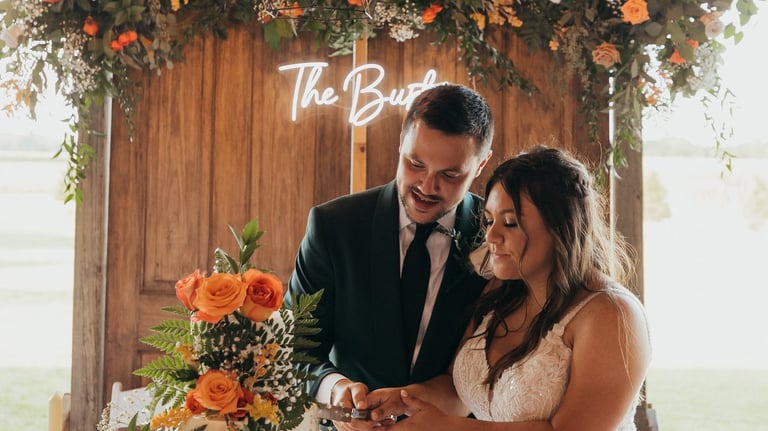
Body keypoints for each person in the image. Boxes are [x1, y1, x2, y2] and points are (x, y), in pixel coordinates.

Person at [368, 146, 652, 430]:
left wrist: (453, 429)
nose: (491, 236)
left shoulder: (611, 315)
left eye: (510, 223)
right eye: (489, 220)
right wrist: (402, 399)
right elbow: (460, 393)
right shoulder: (500, 291)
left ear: (562, 225)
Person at [285, 84, 495, 429]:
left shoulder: (496, 238)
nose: (426, 187)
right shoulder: (334, 226)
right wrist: (335, 390)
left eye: (449, 175)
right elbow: (295, 348)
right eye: (415, 164)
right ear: (401, 142)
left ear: (481, 164)